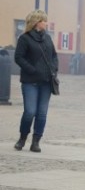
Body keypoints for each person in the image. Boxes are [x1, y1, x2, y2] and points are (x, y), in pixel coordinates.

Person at [13, 9, 58, 153]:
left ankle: (36, 142)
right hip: (30, 82)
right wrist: (32, 70)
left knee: (42, 113)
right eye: (44, 20)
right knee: (30, 111)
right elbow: (18, 57)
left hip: (46, 81)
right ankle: (22, 138)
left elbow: (54, 56)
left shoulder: (48, 38)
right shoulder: (24, 38)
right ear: (37, 23)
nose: (46, 23)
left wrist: (54, 68)